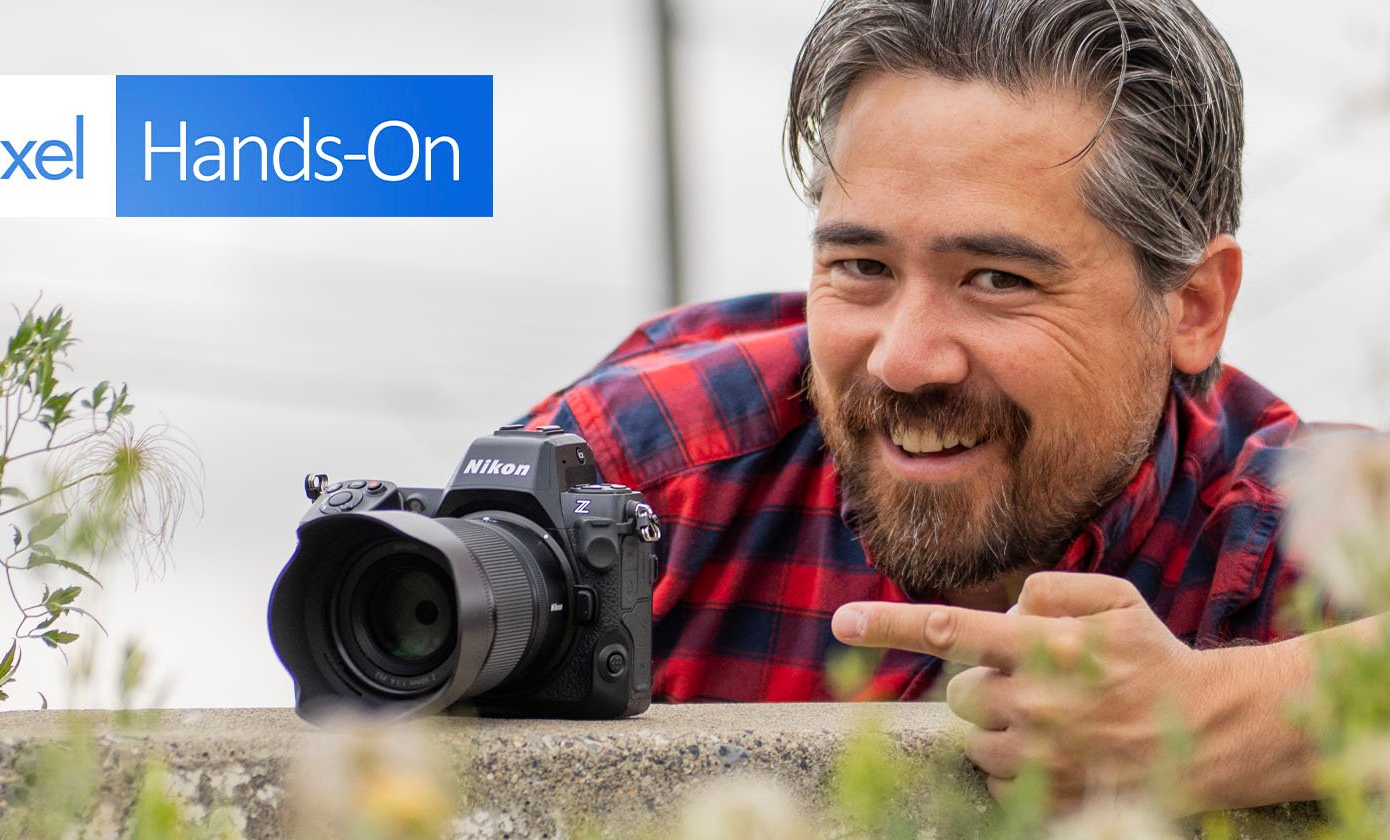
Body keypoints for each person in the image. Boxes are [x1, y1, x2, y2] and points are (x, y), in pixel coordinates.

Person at [517, 0, 1384, 815]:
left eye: (998, 281)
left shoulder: (1310, 530)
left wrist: (1225, 717)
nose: (904, 360)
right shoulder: (651, 471)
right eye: (862, 267)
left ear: (1191, 308)